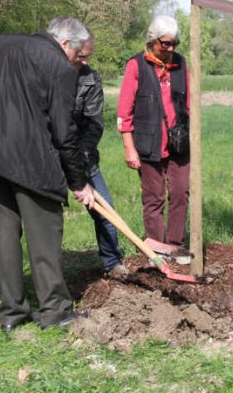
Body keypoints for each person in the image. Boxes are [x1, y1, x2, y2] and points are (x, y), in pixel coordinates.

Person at [0, 17, 94, 332]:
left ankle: (12, 316)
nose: (81, 65)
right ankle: (55, 310)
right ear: (65, 44)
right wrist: (79, 182)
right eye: (81, 57)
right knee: (45, 232)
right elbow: (64, 132)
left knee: (1, 236)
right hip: (32, 159)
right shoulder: (58, 66)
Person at [117, 15, 190, 256]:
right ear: (153, 40)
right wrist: (130, 147)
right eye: (165, 43)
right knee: (154, 197)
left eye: (174, 43)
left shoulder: (181, 64)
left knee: (180, 193)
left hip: (179, 144)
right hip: (149, 144)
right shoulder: (136, 65)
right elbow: (124, 111)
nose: (170, 49)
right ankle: (156, 251)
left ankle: (175, 245)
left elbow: (188, 104)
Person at [72, 33, 128, 279]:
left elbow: (94, 125)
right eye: (81, 55)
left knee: (105, 210)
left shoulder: (90, 79)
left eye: (88, 56)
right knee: (49, 222)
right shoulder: (44, 74)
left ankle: (112, 262)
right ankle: (50, 276)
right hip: (47, 160)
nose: (85, 62)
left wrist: (78, 161)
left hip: (83, 157)